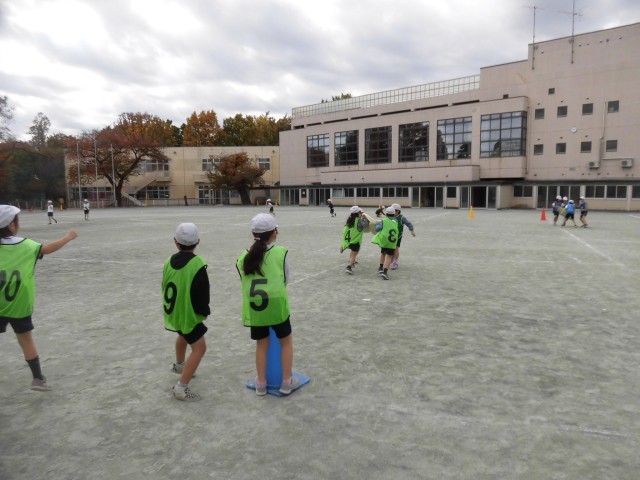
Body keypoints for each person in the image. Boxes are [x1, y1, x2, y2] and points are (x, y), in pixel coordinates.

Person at [0, 205, 77, 391]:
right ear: (11, 226)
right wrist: (68, 237)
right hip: (19, 303)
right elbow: (46, 249)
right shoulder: (25, 244)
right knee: (25, 339)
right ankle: (37, 379)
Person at [236, 213, 300, 396]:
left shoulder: (243, 257)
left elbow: (244, 281)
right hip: (277, 305)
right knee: (286, 342)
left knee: (261, 345)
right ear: (274, 233)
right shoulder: (280, 252)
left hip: (256, 308)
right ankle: (286, 382)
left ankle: (261, 384)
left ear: (253, 233)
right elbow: (285, 278)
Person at [162, 223, 210, 402]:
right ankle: (181, 388)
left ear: (175, 242)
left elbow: (164, 284)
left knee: (183, 335)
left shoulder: (168, 261)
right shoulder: (197, 263)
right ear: (198, 241)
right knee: (200, 348)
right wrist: (203, 312)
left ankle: (180, 365)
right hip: (188, 313)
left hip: (173, 311)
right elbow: (202, 293)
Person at [372, 206, 399, 280]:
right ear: (394, 214)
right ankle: (385, 272)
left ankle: (380, 267)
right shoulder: (396, 221)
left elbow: (377, 229)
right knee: (389, 256)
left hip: (384, 240)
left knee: (383, 254)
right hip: (392, 242)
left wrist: (377, 225)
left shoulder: (383, 221)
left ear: (386, 214)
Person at [341, 206, 368, 274]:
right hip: (355, 241)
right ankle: (349, 267)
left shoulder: (349, 219)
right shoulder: (359, 221)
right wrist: (365, 218)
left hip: (349, 240)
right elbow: (366, 225)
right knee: (354, 254)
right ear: (358, 213)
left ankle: (345, 249)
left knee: (353, 252)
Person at [390, 204, 416, 270]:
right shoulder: (389, 216)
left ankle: (395, 262)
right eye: (392, 210)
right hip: (390, 236)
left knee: (396, 249)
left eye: (395, 210)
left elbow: (409, 224)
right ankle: (391, 259)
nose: (393, 211)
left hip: (398, 236)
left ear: (398, 211)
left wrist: (412, 230)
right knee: (390, 249)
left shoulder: (401, 218)